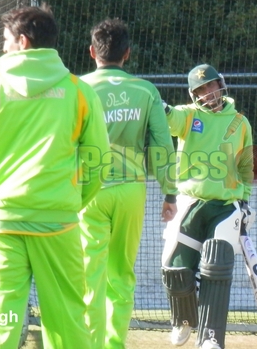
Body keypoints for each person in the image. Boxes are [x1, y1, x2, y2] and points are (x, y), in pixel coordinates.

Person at [0, 3, 110, 349]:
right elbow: (98, 162)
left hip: (5, 221)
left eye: (6, 39)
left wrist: (0, 185)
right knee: (68, 318)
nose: (3, 46)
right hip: (60, 223)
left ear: (22, 41)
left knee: (0, 319)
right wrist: (69, 198)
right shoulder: (79, 92)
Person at [80, 18, 177, 349]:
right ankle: (113, 344)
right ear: (128, 54)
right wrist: (170, 192)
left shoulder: (78, 89)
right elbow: (162, 145)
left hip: (88, 191)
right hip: (131, 191)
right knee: (120, 275)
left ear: (92, 52)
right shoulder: (146, 91)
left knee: (89, 274)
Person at [161, 64, 254, 349]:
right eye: (201, 89)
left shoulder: (240, 122)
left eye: (211, 86)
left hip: (226, 205)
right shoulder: (189, 116)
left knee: (216, 264)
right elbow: (171, 117)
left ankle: (211, 338)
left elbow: (245, 166)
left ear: (220, 85)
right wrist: (155, 103)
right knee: (175, 268)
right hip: (191, 201)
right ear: (194, 94)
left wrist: (246, 203)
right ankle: (184, 320)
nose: (208, 93)